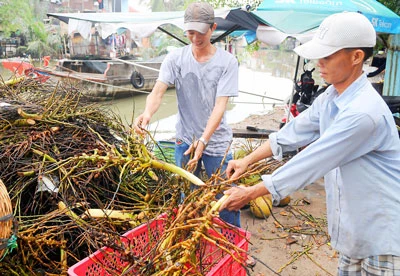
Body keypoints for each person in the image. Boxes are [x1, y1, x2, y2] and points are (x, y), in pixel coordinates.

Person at [220, 12, 400, 274]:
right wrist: (246, 160)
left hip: (382, 236)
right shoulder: (331, 96)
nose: (319, 63)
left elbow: (311, 161)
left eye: (327, 56)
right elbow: (292, 132)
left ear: (356, 57)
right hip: (352, 232)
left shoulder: (364, 113)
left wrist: (251, 193)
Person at [134, 2, 240, 227]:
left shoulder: (227, 62)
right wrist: (146, 114)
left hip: (217, 143)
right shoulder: (175, 59)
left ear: (212, 28)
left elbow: (220, 106)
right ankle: (191, 238)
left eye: (200, 31)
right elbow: (158, 91)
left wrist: (204, 140)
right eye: (190, 31)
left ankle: (234, 243)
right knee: (187, 196)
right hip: (185, 140)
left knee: (224, 195)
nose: (195, 37)